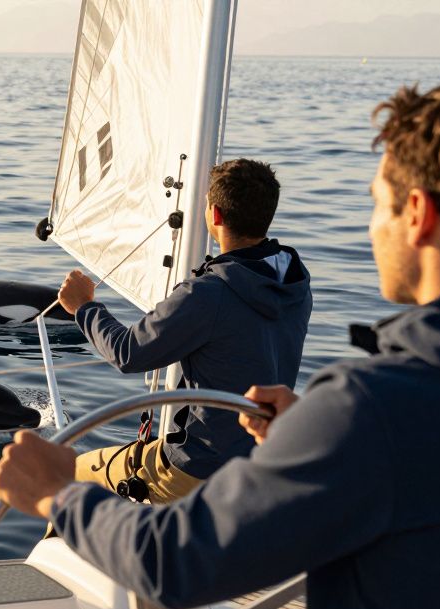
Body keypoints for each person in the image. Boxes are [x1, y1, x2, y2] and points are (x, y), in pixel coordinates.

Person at [0, 70, 440, 609]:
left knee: (78, 475)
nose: (373, 227)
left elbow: (173, 562)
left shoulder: (371, 413)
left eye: (377, 203)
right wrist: (315, 424)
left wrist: (57, 492)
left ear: (418, 214)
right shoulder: (389, 392)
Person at [60, 159, 311, 503]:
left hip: (198, 470)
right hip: (262, 462)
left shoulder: (208, 294)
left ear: (215, 215)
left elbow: (127, 353)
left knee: (62, 473)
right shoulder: (295, 282)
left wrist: (84, 307)